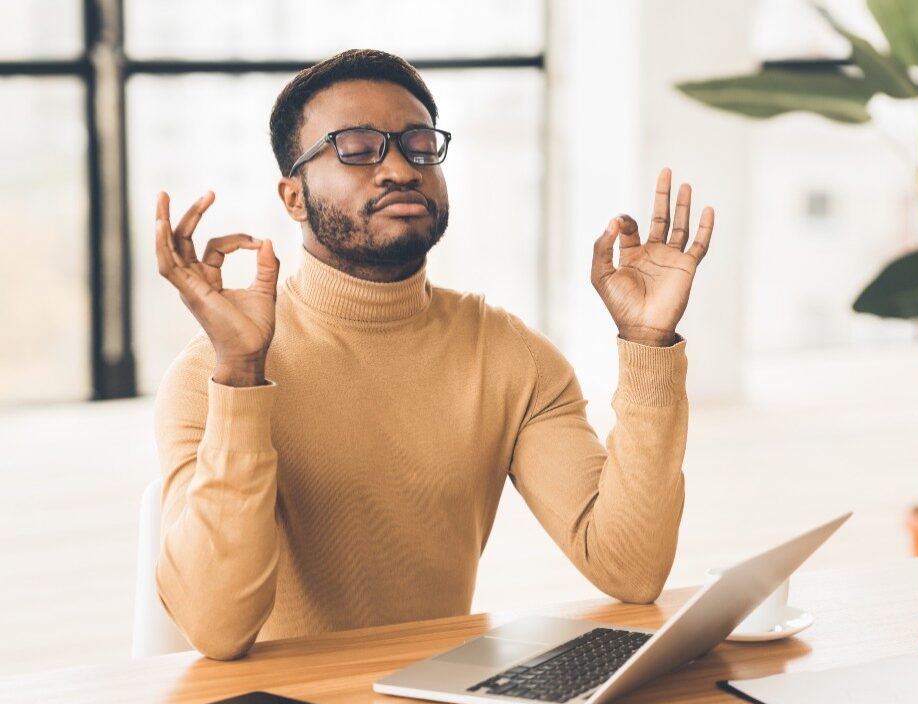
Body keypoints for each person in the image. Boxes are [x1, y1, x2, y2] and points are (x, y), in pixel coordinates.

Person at [152, 49, 715, 660]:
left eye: (418, 144)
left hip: (436, 697)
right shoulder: (208, 375)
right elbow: (216, 629)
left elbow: (630, 567)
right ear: (293, 197)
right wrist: (240, 377)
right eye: (358, 147)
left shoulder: (510, 355)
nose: (399, 168)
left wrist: (648, 345)